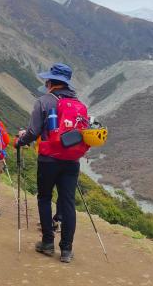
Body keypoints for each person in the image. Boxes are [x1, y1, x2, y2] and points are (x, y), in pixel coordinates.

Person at [15, 63, 88, 263]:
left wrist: (19, 141)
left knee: (45, 198)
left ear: (50, 82)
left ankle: (47, 243)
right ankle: (66, 250)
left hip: (48, 159)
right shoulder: (78, 104)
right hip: (72, 161)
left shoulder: (44, 101)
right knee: (67, 202)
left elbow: (33, 132)